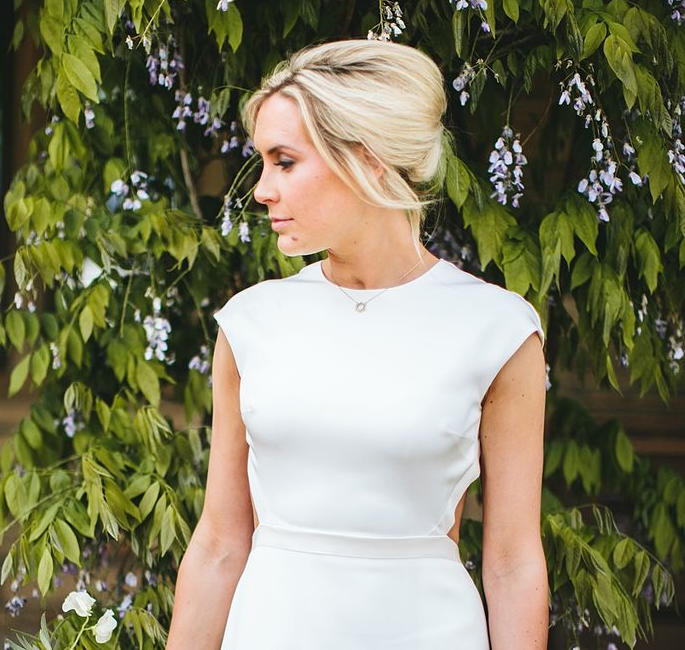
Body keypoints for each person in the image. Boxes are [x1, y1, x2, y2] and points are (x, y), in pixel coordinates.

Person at [165, 38, 549, 649]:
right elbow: (218, 543)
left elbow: (512, 561)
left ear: (367, 158)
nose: (262, 189)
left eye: (283, 161)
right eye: (262, 163)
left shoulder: (497, 330)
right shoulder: (251, 323)